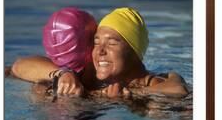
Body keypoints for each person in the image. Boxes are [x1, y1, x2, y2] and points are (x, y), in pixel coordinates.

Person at [11, 7, 189, 99]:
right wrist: (62, 72)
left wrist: (130, 96)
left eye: (111, 43)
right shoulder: (92, 78)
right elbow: (18, 67)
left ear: (135, 51)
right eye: (96, 42)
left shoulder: (155, 83)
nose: (100, 51)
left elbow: (178, 90)